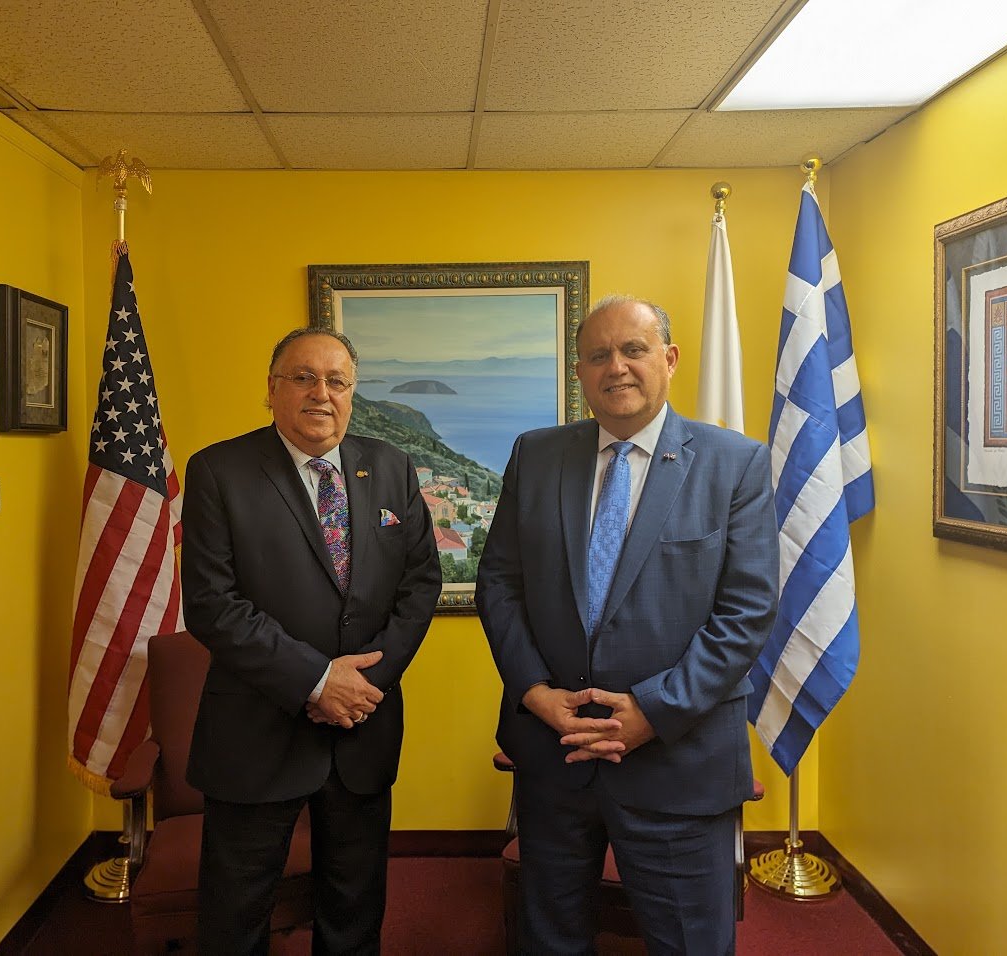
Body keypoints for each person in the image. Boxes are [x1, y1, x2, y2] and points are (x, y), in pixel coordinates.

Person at [477, 295, 779, 955]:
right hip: (554, 756)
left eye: (633, 349)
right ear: (579, 373)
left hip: (677, 758)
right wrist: (534, 692)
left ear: (669, 359)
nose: (615, 367)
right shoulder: (535, 455)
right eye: (597, 355)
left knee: (690, 943)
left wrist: (652, 711)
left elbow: (747, 609)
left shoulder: (735, 463)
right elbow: (499, 582)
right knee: (549, 940)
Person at [181, 327, 441, 954]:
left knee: (354, 910)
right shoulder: (218, 470)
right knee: (235, 915)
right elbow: (213, 605)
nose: (321, 393)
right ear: (272, 389)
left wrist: (364, 685)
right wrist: (318, 682)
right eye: (303, 377)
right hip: (256, 731)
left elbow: (420, 584)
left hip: (361, 729)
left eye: (337, 381)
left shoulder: (391, 466)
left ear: (353, 393)